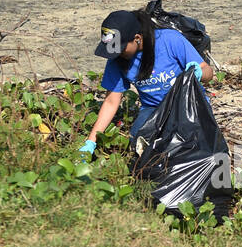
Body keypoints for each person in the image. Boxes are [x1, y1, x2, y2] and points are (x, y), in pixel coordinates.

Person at [79, 9, 210, 156]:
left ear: (137, 38)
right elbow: (111, 102)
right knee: (139, 142)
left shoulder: (169, 40)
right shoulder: (117, 59)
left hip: (189, 105)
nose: (117, 54)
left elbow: (208, 72)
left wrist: (198, 72)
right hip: (153, 109)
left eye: (121, 49)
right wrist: (91, 142)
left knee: (188, 144)